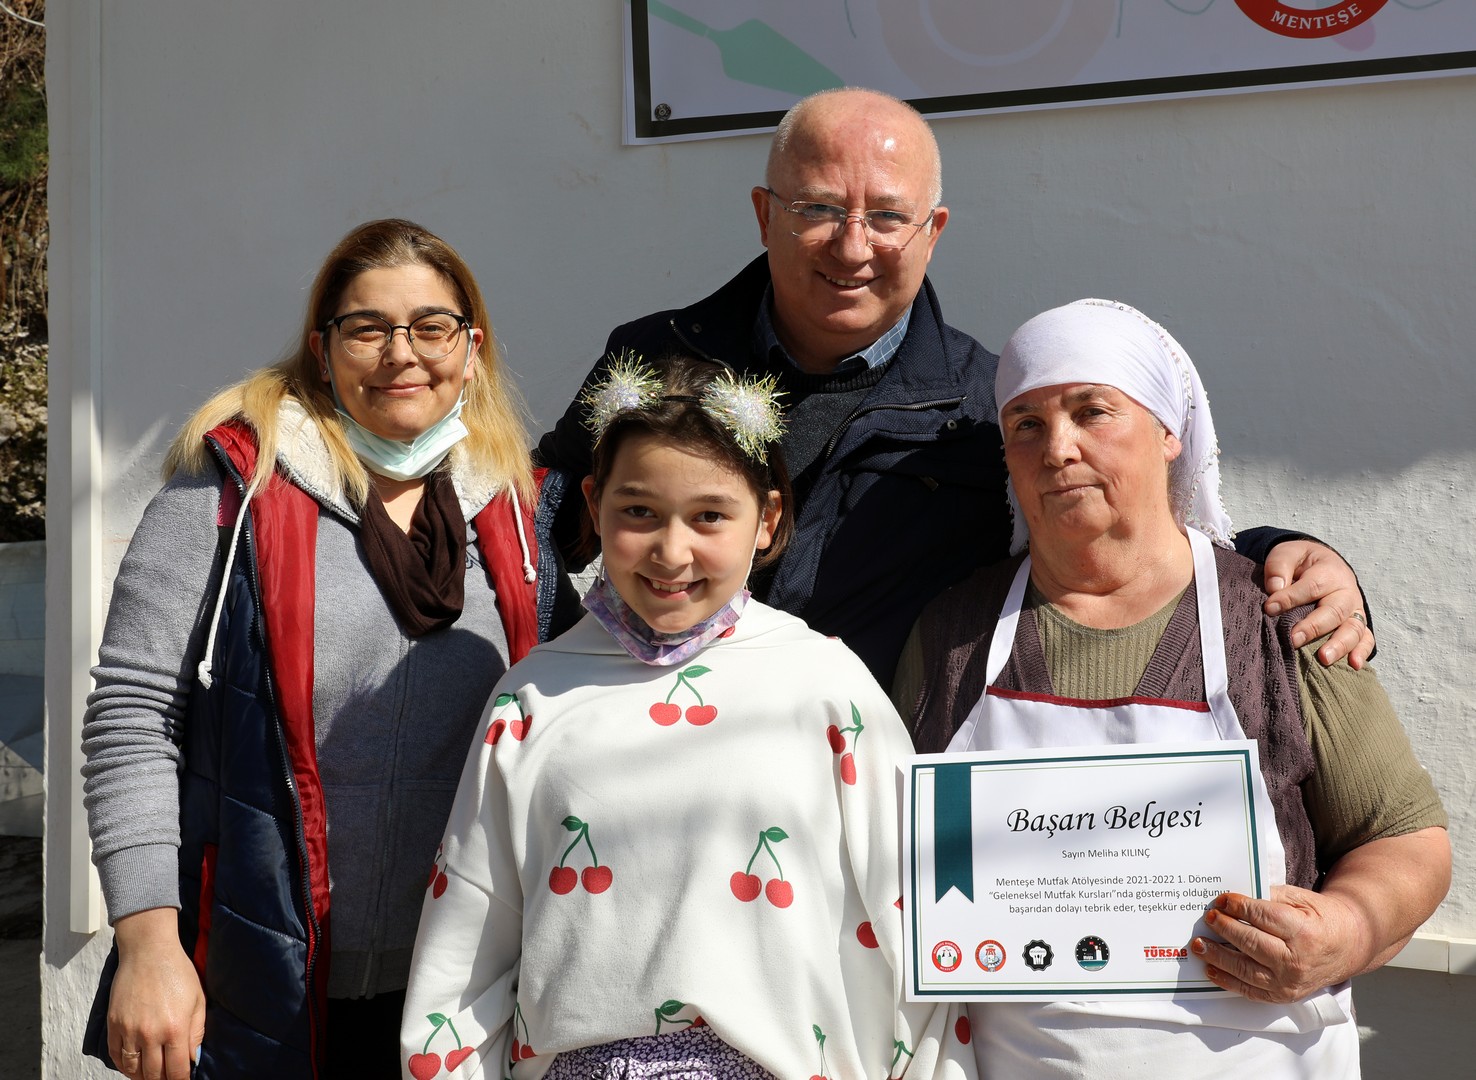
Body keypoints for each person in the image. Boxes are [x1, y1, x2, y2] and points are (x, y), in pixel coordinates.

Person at [536, 86, 1374, 687]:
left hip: (867, 782)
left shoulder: (985, 411)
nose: (853, 246)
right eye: (818, 209)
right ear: (765, 214)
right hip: (648, 745)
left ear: (932, 231)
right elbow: (542, 525)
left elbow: (1116, 534)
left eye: (889, 217)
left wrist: (1276, 550)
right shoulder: (653, 359)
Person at [894, 299, 1450, 1078]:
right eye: (1026, 424)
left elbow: (1404, 833)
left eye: (1094, 412)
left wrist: (1348, 929)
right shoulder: (953, 634)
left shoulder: (1278, 618)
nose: (1059, 449)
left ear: (1168, 432)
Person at [80, 219, 577, 1080]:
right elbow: (133, 716)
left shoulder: (514, 508)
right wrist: (148, 946)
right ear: (322, 348)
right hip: (265, 978)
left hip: (469, 986)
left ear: (471, 345)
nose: (401, 354)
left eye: (430, 326)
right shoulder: (232, 486)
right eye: (367, 329)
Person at [401, 355, 974, 1079]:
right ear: (593, 501)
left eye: (710, 516)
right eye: (638, 511)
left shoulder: (826, 688)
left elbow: (917, 923)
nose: (673, 552)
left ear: (766, 518)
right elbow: (468, 943)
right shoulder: (535, 698)